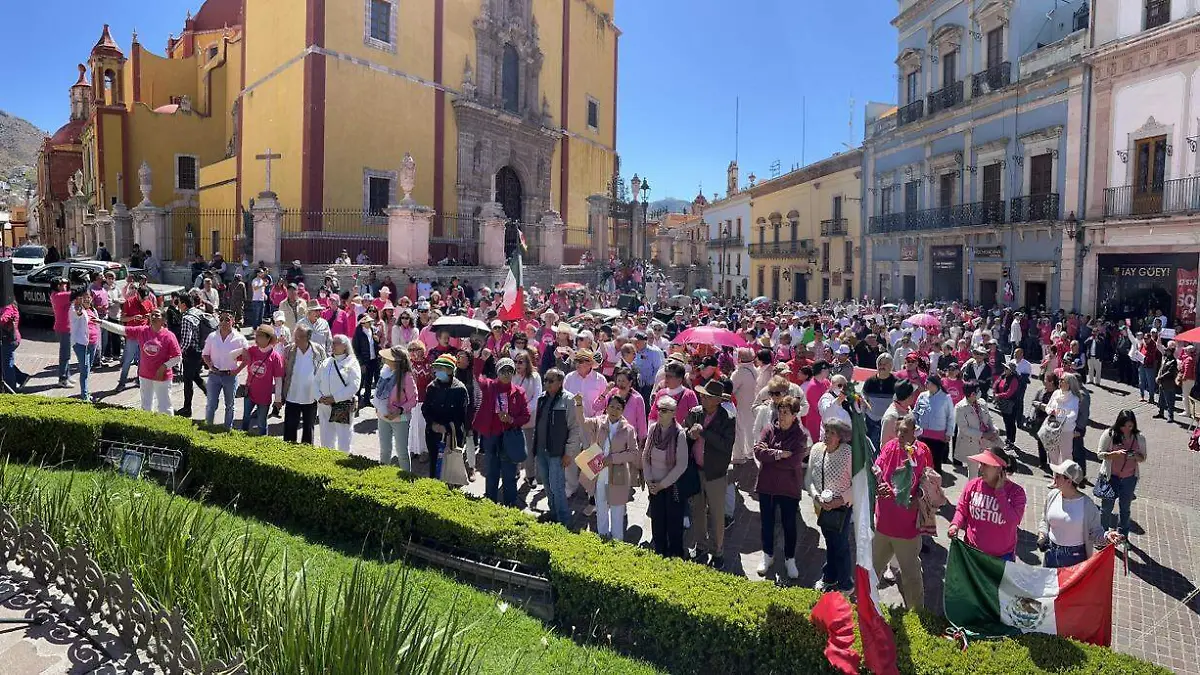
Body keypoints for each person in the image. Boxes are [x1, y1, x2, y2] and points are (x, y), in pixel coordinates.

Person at [873, 415, 933, 609]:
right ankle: (867, 606)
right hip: (883, 524)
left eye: (905, 431)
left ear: (915, 431)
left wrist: (919, 498)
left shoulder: (922, 452)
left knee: (911, 576)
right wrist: (878, 485)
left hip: (906, 529)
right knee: (872, 570)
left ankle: (917, 615)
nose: (899, 434)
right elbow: (877, 469)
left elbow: (930, 484)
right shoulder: (890, 446)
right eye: (897, 430)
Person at [753, 394, 807, 579]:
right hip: (766, 486)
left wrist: (772, 458)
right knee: (767, 523)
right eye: (780, 411)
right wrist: (778, 454)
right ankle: (767, 555)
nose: (782, 415)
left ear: (794, 415)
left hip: (789, 489)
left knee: (789, 525)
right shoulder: (769, 429)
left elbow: (793, 462)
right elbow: (758, 452)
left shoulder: (800, 436)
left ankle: (789, 559)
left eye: (786, 412)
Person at [685, 380, 736, 569]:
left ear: (716, 400)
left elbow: (725, 446)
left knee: (716, 515)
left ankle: (717, 552)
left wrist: (704, 433)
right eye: (702, 395)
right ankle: (700, 546)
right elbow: (684, 431)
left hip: (715, 474)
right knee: (697, 511)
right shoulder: (695, 413)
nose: (702, 398)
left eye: (706, 396)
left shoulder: (727, 419)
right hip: (696, 471)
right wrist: (690, 433)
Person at [579, 394, 640, 540]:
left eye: (618, 408)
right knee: (600, 505)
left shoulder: (628, 429)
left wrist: (613, 459)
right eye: (612, 406)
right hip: (598, 470)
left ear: (623, 411)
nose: (614, 410)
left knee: (617, 508)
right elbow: (581, 421)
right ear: (606, 407)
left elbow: (633, 453)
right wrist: (578, 405)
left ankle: (617, 540)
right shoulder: (598, 421)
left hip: (618, 472)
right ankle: (602, 536)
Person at [948, 448, 1026, 561]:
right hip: (971, 553)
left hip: (1001, 558)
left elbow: (1013, 521)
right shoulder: (973, 485)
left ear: (999, 469)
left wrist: (1000, 492)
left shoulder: (1017, 492)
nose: (980, 468)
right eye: (981, 464)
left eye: (985, 465)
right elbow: (961, 510)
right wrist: (955, 525)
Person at [1037, 460, 1116, 568]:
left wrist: (1107, 536)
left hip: (1075, 557)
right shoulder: (1052, 496)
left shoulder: (1087, 505)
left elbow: (1096, 532)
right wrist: (1042, 536)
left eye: (1058, 475)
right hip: (1051, 553)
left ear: (1068, 481)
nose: (1054, 477)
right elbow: (1044, 521)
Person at [806, 418, 855, 592]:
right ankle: (830, 576)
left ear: (841, 437)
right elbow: (809, 478)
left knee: (841, 544)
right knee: (830, 542)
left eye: (832, 433)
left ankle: (846, 583)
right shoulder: (816, 450)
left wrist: (839, 500)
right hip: (822, 507)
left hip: (842, 508)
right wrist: (816, 497)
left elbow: (858, 483)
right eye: (826, 431)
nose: (826, 435)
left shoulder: (848, 453)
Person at [101, 309, 181, 414]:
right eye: (152, 315)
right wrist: (101, 323)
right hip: (145, 376)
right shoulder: (142, 331)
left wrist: (163, 367)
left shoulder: (169, 336)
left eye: (157, 315)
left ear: (163, 320)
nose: (153, 317)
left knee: (165, 408)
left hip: (162, 378)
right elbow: (122, 329)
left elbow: (178, 357)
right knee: (146, 407)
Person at [476, 357, 532, 506]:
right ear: (497, 372)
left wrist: (512, 420)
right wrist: (479, 356)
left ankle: (510, 505)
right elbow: (476, 374)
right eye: (503, 371)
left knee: (509, 475)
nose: (506, 374)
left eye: (510, 371)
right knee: (491, 473)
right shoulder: (489, 387)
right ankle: (490, 504)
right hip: (492, 437)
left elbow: (526, 416)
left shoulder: (518, 392)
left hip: (510, 438)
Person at [531, 368, 581, 524]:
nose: (546, 383)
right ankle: (553, 513)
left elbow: (574, 428)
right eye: (545, 380)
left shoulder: (568, 400)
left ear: (560, 382)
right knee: (547, 485)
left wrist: (568, 453)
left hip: (557, 453)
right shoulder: (542, 398)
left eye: (550, 380)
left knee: (557, 487)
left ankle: (564, 520)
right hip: (541, 450)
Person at [642, 395, 689, 557]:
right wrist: (649, 481)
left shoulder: (679, 434)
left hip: (672, 486)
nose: (659, 413)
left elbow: (681, 465)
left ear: (673, 413)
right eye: (658, 409)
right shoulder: (653, 429)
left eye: (664, 410)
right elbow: (645, 456)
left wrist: (662, 484)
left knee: (674, 523)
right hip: (654, 485)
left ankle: (674, 555)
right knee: (657, 521)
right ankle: (659, 550)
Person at [1096, 409, 1147, 543]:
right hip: (1111, 477)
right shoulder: (1109, 434)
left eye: (1130, 426)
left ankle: (1122, 537)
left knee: (1125, 509)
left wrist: (1135, 455)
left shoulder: (1139, 437)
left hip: (1129, 478)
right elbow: (1100, 454)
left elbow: (1143, 458)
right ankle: (1103, 536)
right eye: (1124, 426)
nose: (1126, 429)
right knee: (1106, 509)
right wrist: (1112, 455)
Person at [422, 355, 470, 479]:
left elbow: (462, 417)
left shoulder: (460, 389)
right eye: (436, 368)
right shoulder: (432, 387)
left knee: (449, 470)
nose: (437, 371)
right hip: (433, 433)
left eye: (441, 368)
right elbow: (426, 409)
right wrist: (433, 424)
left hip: (452, 436)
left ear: (450, 370)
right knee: (434, 465)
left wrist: (447, 428)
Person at [372, 346, 418, 468]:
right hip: (383, 417)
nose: (385, 360)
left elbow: (413, 400)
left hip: (400, 419)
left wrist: (399, 410)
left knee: (402, 452)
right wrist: (378, 408)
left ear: (396, 362)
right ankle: (384, 477)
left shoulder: (407, 377)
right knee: (384, 450)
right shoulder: (385, 372)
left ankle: (406, 480)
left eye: (388, 358)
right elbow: (379, 393)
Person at [279, 324, 325, 444]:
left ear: (306, 338)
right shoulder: (289, 350)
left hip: (310, 397)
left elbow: (323, 372)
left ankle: (306, 456)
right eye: (295, 335)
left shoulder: (318, 351)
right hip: (292, 396)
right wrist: (280, 395)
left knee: (308, 430)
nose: (295, 338)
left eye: (298, 336)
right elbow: (283, 373)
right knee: (289, 429)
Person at [316, 334, 361, 452]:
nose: (333, 345)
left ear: (345, 346)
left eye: (336, 343)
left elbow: (354, 386)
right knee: (326, 439)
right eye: (332, 342)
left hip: (342, 406)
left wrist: (335, 398)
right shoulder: (327, 361)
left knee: (344, 440)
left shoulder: (352, 362)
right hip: (324, 406)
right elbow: (315, 381)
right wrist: (319, 397)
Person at [237, 325, 284, 435]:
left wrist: (278, 399)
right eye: (256, 336)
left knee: (262, 423)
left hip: (264, 396)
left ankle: (263, 441)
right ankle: (241, 438)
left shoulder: (275, 357)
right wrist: (242, 349)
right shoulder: (251, 350)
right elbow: (232, 356)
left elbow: (278, 380)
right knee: (246, 417)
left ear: (268, 339)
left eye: (260, 336)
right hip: (249, 392)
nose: (256, 339)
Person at [1037, 371, 1081, 474]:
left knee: (1066, 456)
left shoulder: (1074, 398)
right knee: (1053, 455)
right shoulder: (1056, 393)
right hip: (1052, 429)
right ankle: (1055, 479)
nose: (1060, 382)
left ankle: (1066, 478)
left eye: (1062, 380)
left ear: (1069, 384)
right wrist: (1050, 411)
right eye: (1060, 380)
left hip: (1066, 430)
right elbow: (1048, 407)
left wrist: (1061, 417)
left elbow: (1073, 414)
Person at [953, 383, 1001, 476]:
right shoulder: (960, 407)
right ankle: (972, 489)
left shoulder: (982, 402)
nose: (980, 392)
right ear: (972, 394)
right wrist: (982, 435)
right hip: (972, 443)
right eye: (978, 391)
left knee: (989, 467)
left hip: (987, 441)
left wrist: (994, 429)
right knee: (973, 471)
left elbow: (989, 418)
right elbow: (964, 429)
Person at [512, 349, 543, 485]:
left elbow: (537, 396)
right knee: (514, 446)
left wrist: (524, 411)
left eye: (520, 362)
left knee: (529, 449)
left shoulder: (535, 376)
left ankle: (530, 476)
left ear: (527, 363)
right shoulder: (512, 375)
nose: (517, 365)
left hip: (529, 418)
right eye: (515, 362)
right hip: (512, 418)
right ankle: (515, 471)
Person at [913, 375, 955, 474]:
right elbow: (915, 412)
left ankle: (935, 485)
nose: (925, 384)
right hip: (922, 434)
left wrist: (949, 433)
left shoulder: (946, 398)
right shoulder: (922, 395)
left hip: (938, 437)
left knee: (935, 462)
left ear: (935, 384)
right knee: (921, 461)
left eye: (928, 383)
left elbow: (951, 417)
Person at [68, 289, 101, 402]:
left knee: (88, 369)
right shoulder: (75, 309)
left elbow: (97, 326)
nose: (88, 299)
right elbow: (78, 314)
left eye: (89, 297)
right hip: (81, 344)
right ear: (79, 299)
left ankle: (86, 391)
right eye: (85, 297)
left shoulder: (93, 310)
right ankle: (85, 395)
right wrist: (78, 306)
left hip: (93, 344)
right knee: (85, 369)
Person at [862, 353, 897, 450]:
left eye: (885, 364)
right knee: (871, 449)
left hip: (888, 422)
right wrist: (862, 418)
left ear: (891, 366)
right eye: (880, 364)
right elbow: (864, 400)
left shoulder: (896, 382)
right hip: (871, 421)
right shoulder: (869, 381)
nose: (882, 366)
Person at [991, 360, 1022, 450]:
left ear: (1011, 370)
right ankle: (1008, 439)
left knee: (1010, 423)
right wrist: (995, 391)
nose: (1004, 369)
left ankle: (1011, 441)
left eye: (1006, 368)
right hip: (1003, 403)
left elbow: (1009, 393)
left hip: (1011, 404)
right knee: (1006, 421)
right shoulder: (1003, 375)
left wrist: (998, 395)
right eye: (1004, 367)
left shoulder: (1014, 379)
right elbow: (996, 383)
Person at [353, 314, 381, 409]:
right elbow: (355, 350)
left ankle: (367, 400)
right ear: (362, 323)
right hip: (365, 361)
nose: (370, 323)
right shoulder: (358, 333)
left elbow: (375, 344)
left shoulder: (372, 330)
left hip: (374, 359)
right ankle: (355, 400)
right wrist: (361, 363)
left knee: (369, 381)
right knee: (360, 382)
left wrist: (377, 341)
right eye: (368, 322)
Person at [1155, 342, 1179, 423]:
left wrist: (1160, 377)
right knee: (1161, 399)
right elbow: (1161, 369)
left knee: (1169, 401)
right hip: (1162, 383)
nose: (1166, 352)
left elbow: (1170, 372)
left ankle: (1170, 416)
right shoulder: (1165, 358)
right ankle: (1161, 413)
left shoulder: (1173, 361)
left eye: (1167, 351)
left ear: (1171, 352)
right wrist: (1158, 376)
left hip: (1169, 383)